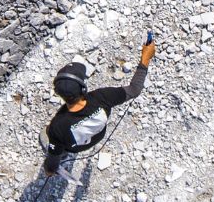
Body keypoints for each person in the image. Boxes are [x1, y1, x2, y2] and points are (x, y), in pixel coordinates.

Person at [42, 37, 156, 175]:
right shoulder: (102, 97)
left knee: (47, 134)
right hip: (98, 136)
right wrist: (145, 59)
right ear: (83, 89)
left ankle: (65, 153)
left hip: (76, 147)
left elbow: (51, 164)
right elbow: (135, 89)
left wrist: (49, 170)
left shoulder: (57, 127)